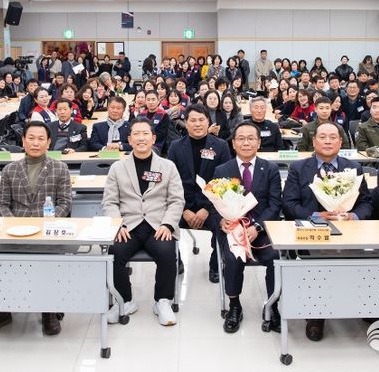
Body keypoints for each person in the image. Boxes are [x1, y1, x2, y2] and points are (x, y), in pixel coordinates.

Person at [283, 120, 373, 341]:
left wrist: (353, 216)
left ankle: (364, 304)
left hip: (348, 232)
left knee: (365, 261)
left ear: (341, 142)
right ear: (313, 141)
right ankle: (316, 315)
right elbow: (289, 205)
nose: (327, 141)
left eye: (333, 137)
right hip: (312, 233)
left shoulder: (354, 168)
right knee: (316, 266)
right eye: (322, 137)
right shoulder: (298, 168)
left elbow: (366, 203)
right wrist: (317, 216)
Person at [0, 121, 71, 336]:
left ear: (49, 142)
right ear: (23, 141)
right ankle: (2, 311)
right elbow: (2, 204)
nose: (35, 143)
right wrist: (13, 224)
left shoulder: (60, 168)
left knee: (48, 263)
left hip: (47, 229)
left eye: (41, 139)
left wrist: (46, 222)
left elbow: (65, 203)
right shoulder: (10, 169)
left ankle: (48, 310)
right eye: (31, 138)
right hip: (14, 230)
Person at [102, 117, 184, 326]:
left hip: (158, 224)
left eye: (145, 133)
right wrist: (117, 224)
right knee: (114, 253)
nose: (141, 138)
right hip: (128, 225)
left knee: (167, 253)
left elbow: (176, 200)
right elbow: (109, 202)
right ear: (129, 139)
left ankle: (162, 301)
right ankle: (125, 301)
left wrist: (168, 224)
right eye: (136, 134)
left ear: (153, 138)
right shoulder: (117, 168)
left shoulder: (168, 166)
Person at [209, 122, 282, 333]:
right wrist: (221, 221)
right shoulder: (222, 170)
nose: (246, 143)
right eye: (241, 138)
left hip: (261, 229)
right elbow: (213, 204)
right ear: (233, 143)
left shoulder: (270, 169)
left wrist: (257, 227)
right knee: (233, 258)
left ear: (259, 142)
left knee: (275, 257)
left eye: (251, 138)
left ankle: (272, 305)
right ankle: (234, 306)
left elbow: (274, 205)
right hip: (232, 229)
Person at [168, 104, 232, 283]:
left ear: (208, 121)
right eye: (193, 120)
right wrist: (183, 210)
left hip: (212, 205)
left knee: (224, 226)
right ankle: (175, 260)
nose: (197, 124)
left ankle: (215, 264)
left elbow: (224, 182)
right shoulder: (175, 147)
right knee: (164, 222)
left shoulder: (221, 146)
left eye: (201, 120)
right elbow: (170, 183)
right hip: (182, 205)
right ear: (186, 123)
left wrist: (206, 208)